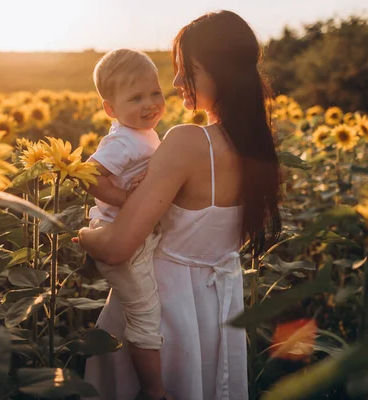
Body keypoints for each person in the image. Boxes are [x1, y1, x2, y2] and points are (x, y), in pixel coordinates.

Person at [78, 10, 281, 400]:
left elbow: (118, 247)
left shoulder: (189, 142)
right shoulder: (259, 148)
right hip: (220, 308)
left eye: (186, 69)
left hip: (166, 307)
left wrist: (84, 235)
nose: (174, 82)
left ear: (218, 72)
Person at [82, 48, 169, 400]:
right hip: (122, 238)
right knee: (146, 317)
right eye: (136, 98)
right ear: (110, 109)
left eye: (156, 93)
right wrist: (127, 201)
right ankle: (152, 392)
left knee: (136, 309)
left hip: (132, 235)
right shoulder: (123, 140)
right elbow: (89, 176)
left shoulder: (142, 132)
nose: (150, 104)